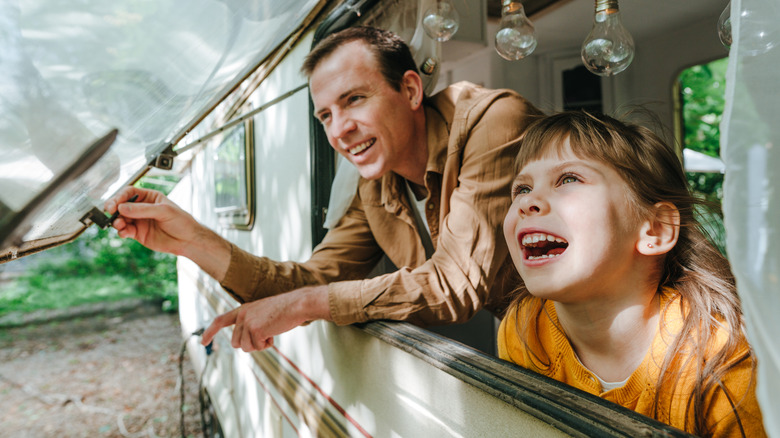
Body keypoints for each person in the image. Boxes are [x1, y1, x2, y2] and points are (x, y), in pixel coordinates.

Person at [105, 26, 540, 352]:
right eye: (325, 116)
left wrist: (302, 306)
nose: (341, 131)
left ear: (410, 89)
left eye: (354, 100)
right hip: (537, 348)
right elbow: (309, 281)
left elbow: (454, 286)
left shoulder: (491, 121)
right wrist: (192, 239)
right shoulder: (372, 184)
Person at [498, 111, 766, 437]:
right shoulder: (524, 327)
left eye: (568, 179)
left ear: (655, 229)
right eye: (522, 188)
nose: (528, 202)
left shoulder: (722, 362)